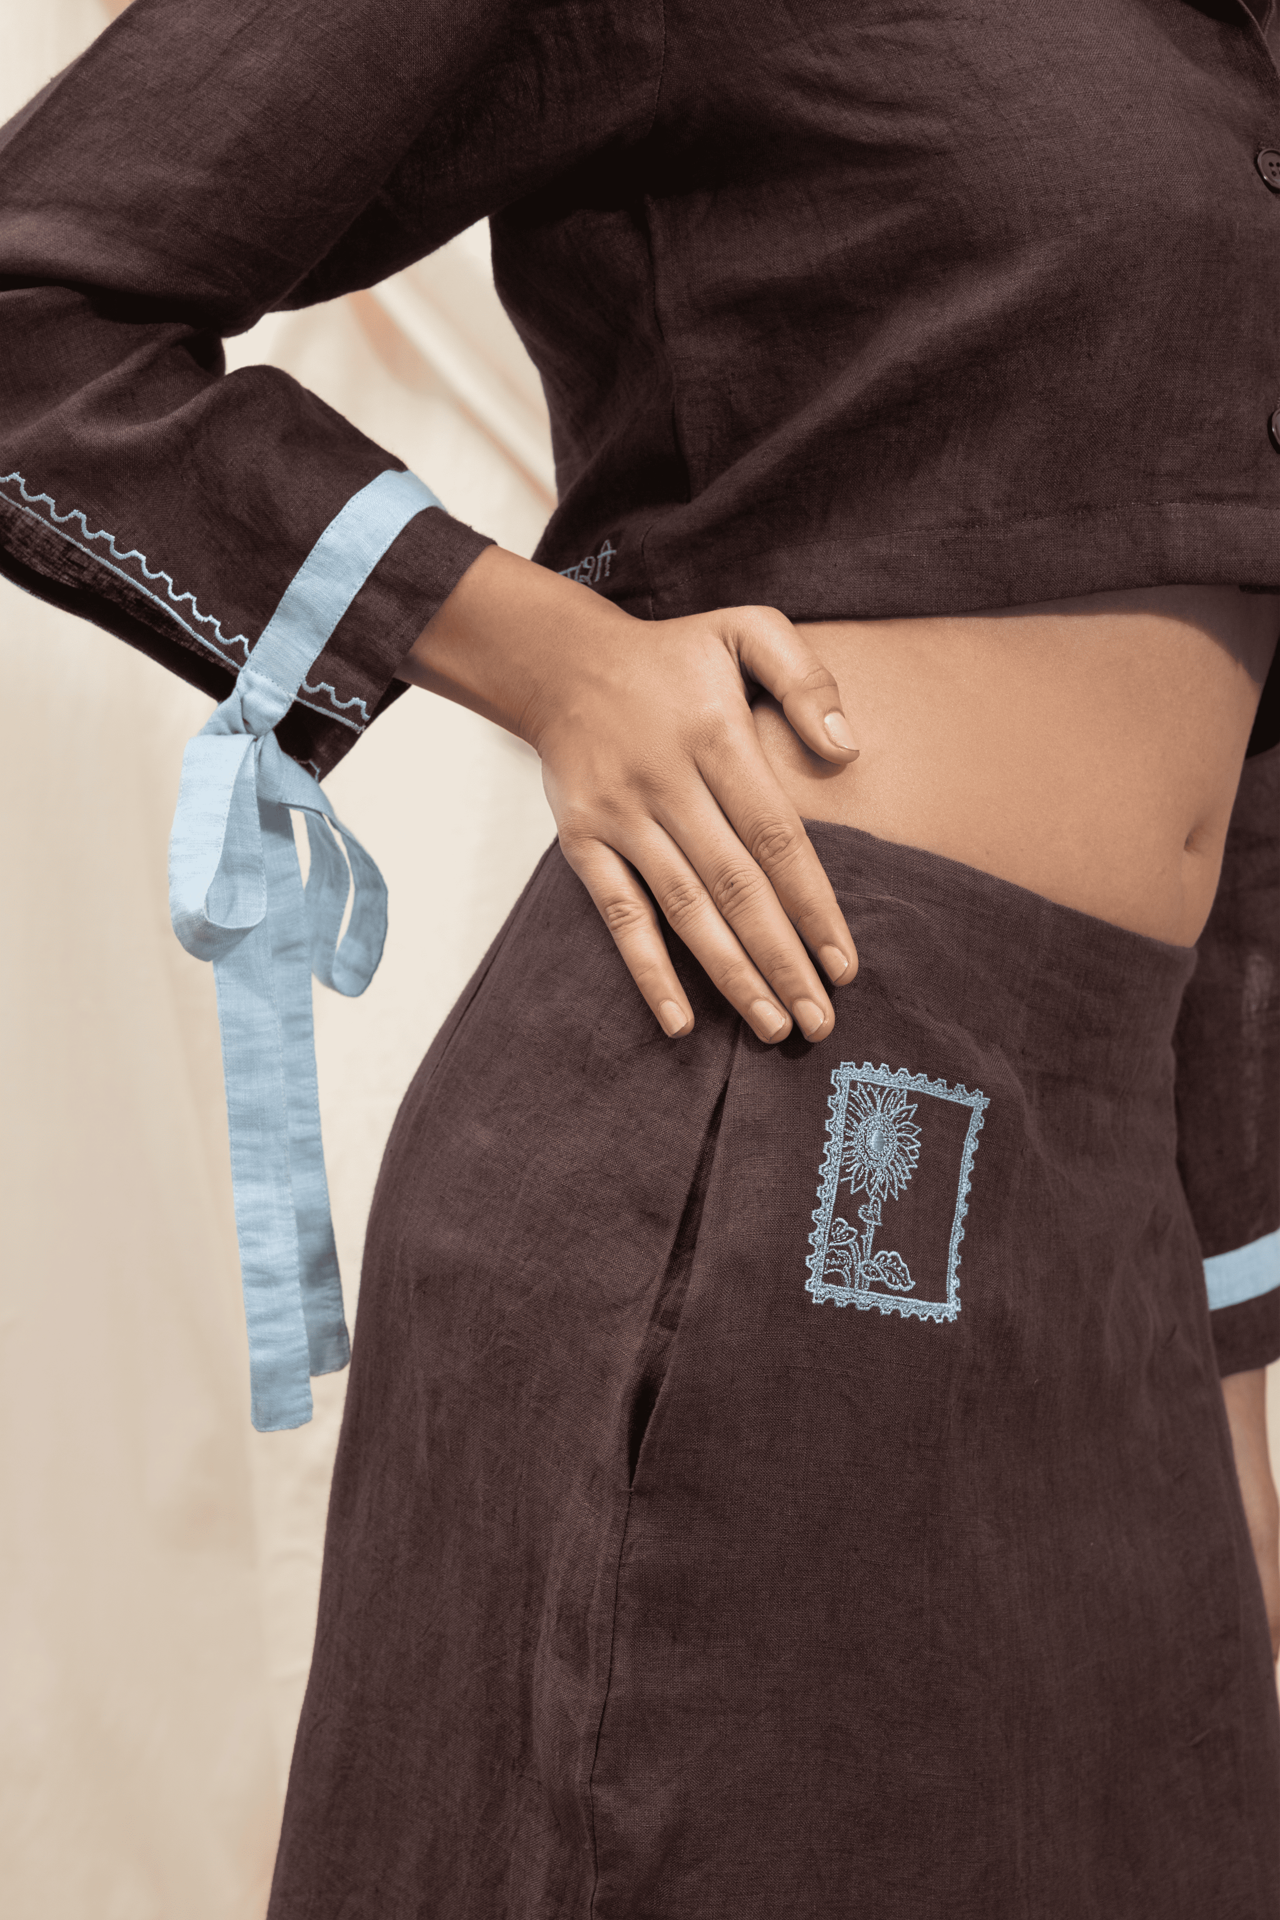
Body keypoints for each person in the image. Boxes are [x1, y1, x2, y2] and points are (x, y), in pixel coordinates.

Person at [2, 1, 1279, 1913]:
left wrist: (1228, 1376)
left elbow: (1235, 763)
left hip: (1108, 1222)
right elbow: (37, 305)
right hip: (792, 1095)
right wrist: (552, 659)